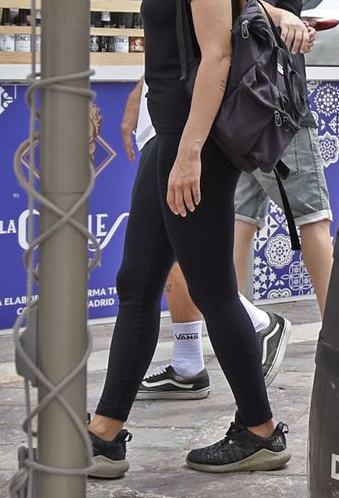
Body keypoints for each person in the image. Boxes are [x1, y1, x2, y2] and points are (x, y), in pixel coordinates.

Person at [85, 0, 312, 478]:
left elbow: (216, 54)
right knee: (138, 284)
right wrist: (140, 98)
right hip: (177, 141)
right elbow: (185, 43)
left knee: (211, 287)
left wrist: (186, 153)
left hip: (196, 149)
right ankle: (105, 433)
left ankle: (261, 427)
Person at [120, 78, 292, 400]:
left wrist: (192, 146)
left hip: (183, 126)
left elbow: (217, 50)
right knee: (167, 255)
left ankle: (257, 325)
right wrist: (140, 91)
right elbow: (168, 44)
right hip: (167, 118)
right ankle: (189, 365)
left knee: (180, 259)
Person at [232, 0, 333, 318]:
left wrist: (294, 28)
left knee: (241, 219)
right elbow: (247, 9)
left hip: (245, 111)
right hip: (278, 111)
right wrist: (286, 17)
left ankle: (239, 322)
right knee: (314, 215)